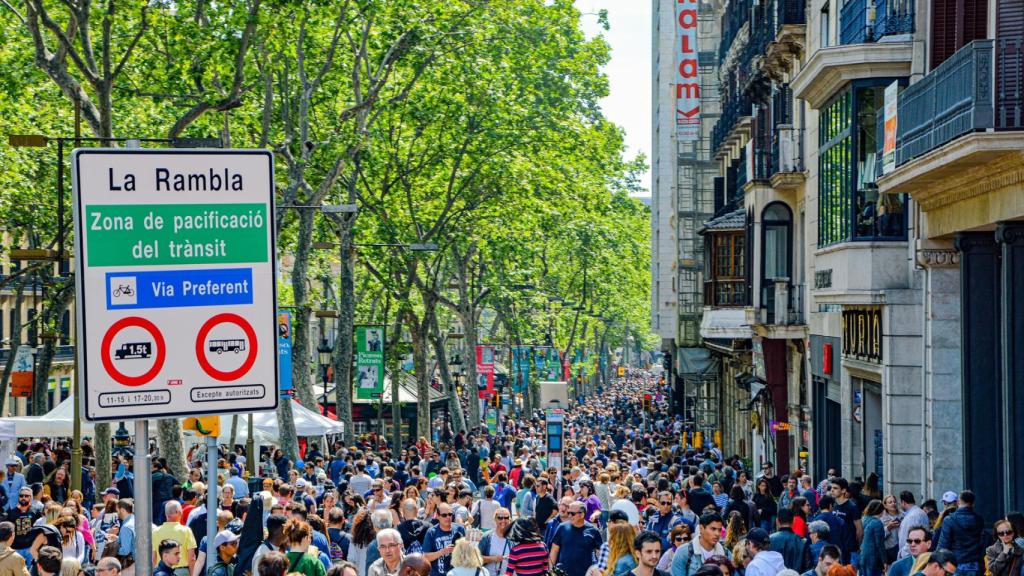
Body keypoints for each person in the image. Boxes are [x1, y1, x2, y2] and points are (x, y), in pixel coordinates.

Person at [935, 491, 983, 576]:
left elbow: (943, 545)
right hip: (976, 564)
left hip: (956, 563)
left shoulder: (949, 520)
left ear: (958, 502)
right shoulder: (979, 520)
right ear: (973, 504)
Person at [549, 501, 603, 576]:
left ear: (582, 514)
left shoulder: (593, 530)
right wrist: (551, 571)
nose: (569, 516)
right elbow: (554, 550)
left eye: (572, 514)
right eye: (568, 513)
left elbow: (600, 553)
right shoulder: (562, 527)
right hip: (563, 573)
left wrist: (598, 571)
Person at [152, 501, 196, 576]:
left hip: (162, 571)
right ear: (178, 512)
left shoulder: (155, 531)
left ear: (166, 514)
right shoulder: (186, 531)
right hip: (182, 572)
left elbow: (153, 558)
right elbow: (191, 558)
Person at [422, 503, 465, 576]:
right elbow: (425, 557)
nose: (448, 517)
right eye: (444, 515)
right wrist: (442, 552)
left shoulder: (460, 529)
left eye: (450, 514)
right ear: (438, 516)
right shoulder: (431, 532)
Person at [769, 509, 811, 573]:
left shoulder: (769, 540)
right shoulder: (802, 541)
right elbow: (807, 568)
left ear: (777, 521)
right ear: (794, 521)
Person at [897, 492, 930, 560]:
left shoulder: (912, 516)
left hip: (911, 555)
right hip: (919, 553)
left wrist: (903, 554)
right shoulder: (921, 512)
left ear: (903, 502)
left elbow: (910, 539)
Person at [859, 500, 888, 576]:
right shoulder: (877, 523)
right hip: (873, 558)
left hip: (862, 555)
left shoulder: (864, 519)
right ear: (881, 511)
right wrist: (884, 561)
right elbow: (880, 544)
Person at [478, 509, 511, 576]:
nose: (503, 520)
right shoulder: (487, 537)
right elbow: (477, 558)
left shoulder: (514, 537)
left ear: (509, 519)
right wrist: (494, 558)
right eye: (500, 518)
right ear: (495, 519)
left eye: (506, 518)